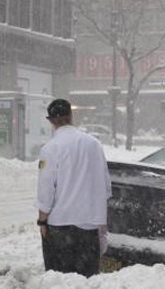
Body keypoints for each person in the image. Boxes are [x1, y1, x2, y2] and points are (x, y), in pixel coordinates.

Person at [35, 99, 112, 277]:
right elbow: (105, 187)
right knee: (87, 284)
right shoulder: (94, 145)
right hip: (89, 225)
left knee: (59, 283)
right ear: (71, 115)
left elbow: (46, 189)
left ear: (51, 121)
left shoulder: (50, 148)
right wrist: (102, 224)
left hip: (58, 227)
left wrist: (42, 221)